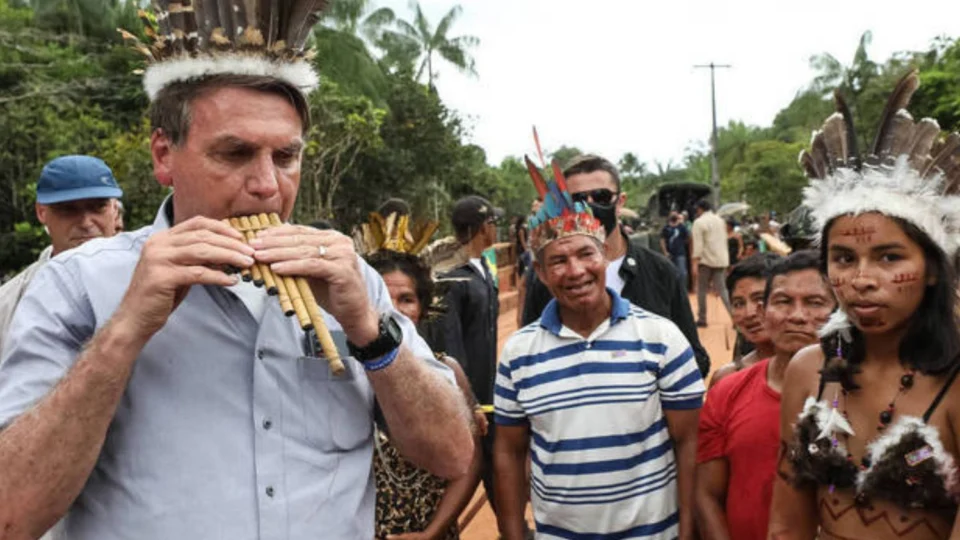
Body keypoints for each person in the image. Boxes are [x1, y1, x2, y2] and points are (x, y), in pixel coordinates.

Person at [0, 4, 473, 538]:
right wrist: (124, 333)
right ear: (163, 154)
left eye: (286, 156)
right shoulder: (79, 284)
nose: (268, 185)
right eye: (235, 153)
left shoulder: (352, 282)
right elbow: (12, 512)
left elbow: (452, 455)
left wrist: (370, 331)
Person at [769, 70, 960, 539]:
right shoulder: (808, 369)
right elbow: (786, 525)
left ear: (932, 268)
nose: (860, 280)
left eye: (889, 257)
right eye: (843, 258)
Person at [494, 153, 704, 540]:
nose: (574, 271)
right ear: (540, 273)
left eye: (585, 254)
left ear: (603, 257)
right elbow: (508, 449)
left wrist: (687, 531)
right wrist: (511, 531)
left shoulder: (662, 337)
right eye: (557, 261)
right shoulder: (518, 353)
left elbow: (689, 439)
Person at [522, 155, 710, 377]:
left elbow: (693, 358)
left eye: (601, 196)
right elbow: (529, 355)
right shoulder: (551, 279)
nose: (590, 204)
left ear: (619, 202)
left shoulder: (660, 272)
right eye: (578, 199)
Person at [695, 250, 836, 539]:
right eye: (783, 302)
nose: (797, 316)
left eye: (814, 303)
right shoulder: (727, 390)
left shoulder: (863, 396)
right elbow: (706, 495)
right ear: (766, 311)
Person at [364, 246, 484, 540]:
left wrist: (432, 532)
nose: (392, 309)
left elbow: (469, 463)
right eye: (381, 297)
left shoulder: (447, 372)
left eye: (406, 299)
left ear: (423, 308)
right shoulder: (342, 374)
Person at [0, 155, 123, 353]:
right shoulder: (9, 303)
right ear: (41, 213)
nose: (85, 222)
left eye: (97, 207)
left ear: (114, 210)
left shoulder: (152, 277)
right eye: (68, 210)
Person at [438, 194, 503, 508]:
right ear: (482, 227)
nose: (497, 230)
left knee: (494, 463)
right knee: (474, 465)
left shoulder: (482, 269)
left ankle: (511, 528)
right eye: (494, 223)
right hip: (471, 393)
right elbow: (451, 342)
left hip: (489, 389)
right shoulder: (454, 276)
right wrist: (467, 400)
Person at [709, 253, 781, 387]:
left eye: (759, 299)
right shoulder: (726, 380)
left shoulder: (819, 371)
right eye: (738, 304)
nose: (749, 313)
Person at [691, 198, 732, 327]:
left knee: (701, 289)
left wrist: (694, 262)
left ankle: (702, 318)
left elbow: (698, 244)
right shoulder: (720, 221)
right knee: (723, 289)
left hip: (706, 260)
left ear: (699, 209)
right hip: (721, 259)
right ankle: (735, 317)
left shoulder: (699, 222)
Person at [660, 211, 690, 285]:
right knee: (670, 272)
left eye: (675, 215)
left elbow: (688, 238)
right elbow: (662, 240)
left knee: (682, 272)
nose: (673, 216)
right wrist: (665, 252)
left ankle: (682, 288)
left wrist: (682, 245)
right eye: (672, 215)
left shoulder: (682, 227)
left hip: (680, 253)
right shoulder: (666, 228)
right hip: (669, 254)